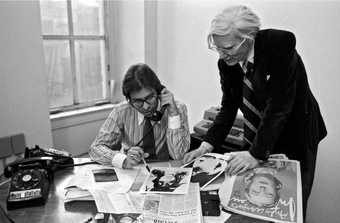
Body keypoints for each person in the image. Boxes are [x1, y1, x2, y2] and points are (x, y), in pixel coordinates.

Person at [183, 5, 327, 218]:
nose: (222, 55)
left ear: (248, 38)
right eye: (218, 49)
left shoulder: (279, 47)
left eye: (228, 48)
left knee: (287, 207)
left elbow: (279, 107)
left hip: (296, 134)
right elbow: (229, 106)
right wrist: (207, 144)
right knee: (251, 205)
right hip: (260, 134)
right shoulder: (227, 63)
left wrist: (255, 154)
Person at [90, 63, 190, 169]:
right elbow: (95, 149)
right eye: (138, 101)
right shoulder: (121, 111)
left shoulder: (177, 108)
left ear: (159, 91)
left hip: (167, 170)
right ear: (129, 100)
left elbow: (178, 155)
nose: (146, 106)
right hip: (132, 170)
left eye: (150, 97)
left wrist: (173, 114)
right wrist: (123, 160)